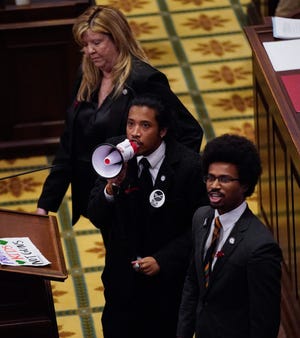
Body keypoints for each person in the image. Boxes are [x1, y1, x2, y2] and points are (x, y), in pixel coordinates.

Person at [35, 5, 203, 225]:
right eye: (85, 44)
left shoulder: (144, 80)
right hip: (99, 194)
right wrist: (45, 204)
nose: (90, 51)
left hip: (133, 196)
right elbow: (70, 141)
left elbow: (190, 132)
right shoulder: (86, 75)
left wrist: (162, 182)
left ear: (118, 39)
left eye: (97, 43)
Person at [87, 94, 208, 338]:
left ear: (163, 130)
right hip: (122, 285)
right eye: (130, 123)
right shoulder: (113, 154)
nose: (134, 133)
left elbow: (202, 227)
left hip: (167, 288)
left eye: (145, 125)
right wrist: (112, 187)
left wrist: (164, 259)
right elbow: (96, 215)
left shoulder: (189, 166)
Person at [176, 134, 282, 338]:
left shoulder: (260, 247)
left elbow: (265, 322)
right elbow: (193, 283)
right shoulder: (201, 218)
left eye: (224, 179)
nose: (214, 185)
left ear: (244, 185)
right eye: (210, 177)